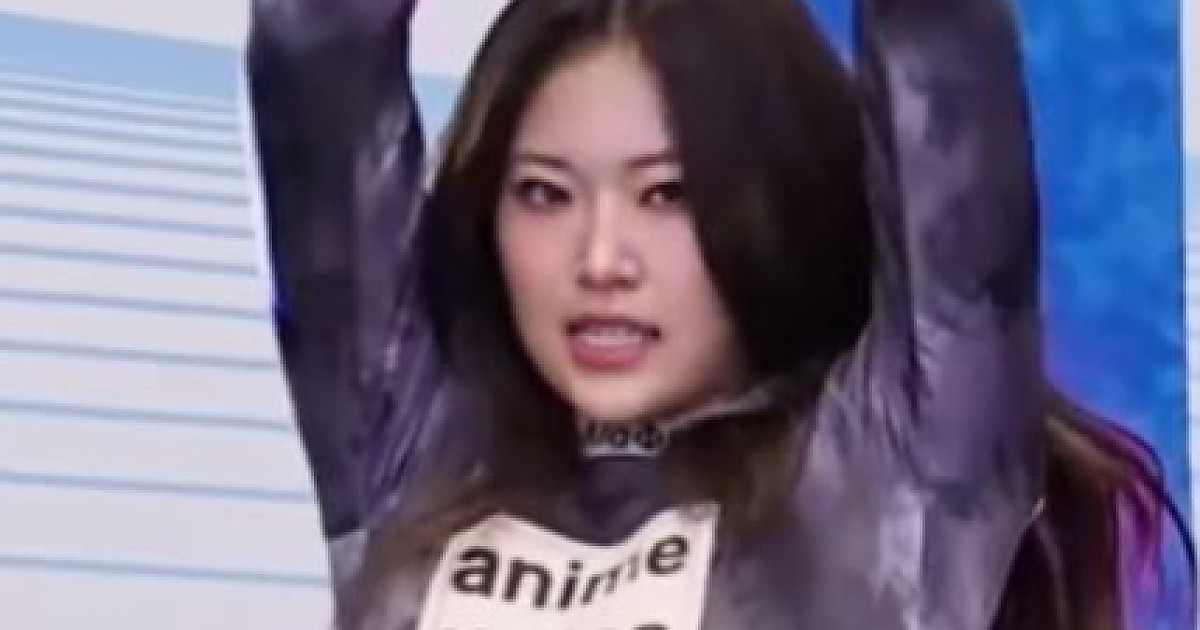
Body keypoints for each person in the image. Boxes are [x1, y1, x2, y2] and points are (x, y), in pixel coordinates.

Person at [246, 0, 1194, 628]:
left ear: (771, 202)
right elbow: (315, 43)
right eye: (544, 194)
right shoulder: (406, 449)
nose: (601, 260)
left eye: (668, 195)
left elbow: (942, 74)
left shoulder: (895, 475)